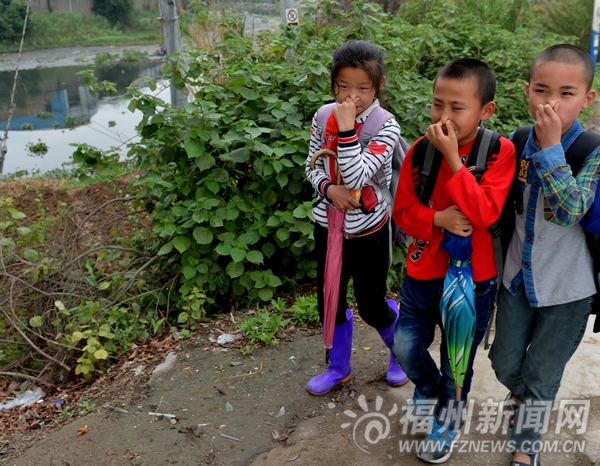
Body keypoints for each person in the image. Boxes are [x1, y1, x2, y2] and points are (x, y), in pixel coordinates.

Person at [391, 58, 516, 463]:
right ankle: (426, 389)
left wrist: (454, 160)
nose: (443, 117)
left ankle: (448, 419)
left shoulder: (500, 151)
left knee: (457, 358)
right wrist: (437, 220)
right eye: (436, 104)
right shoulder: (420, 149)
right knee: (405, 344)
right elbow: (403, 212)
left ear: (486, 110)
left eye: (457, 108)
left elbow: (483, 214)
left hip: (475, 279)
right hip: (423, 269)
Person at [489, 44, 598, 466]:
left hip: (569, 288)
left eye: (566, 93)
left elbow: (573, 208)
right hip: (517, 277)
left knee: (543, 374)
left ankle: (525, 447)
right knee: (503, 361)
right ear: (527, 91)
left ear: (587, 98)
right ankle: (523, 397)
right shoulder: (516, 141)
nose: (551, 102)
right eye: (541, 89)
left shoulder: (593, 150)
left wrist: (552, 148)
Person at [304, 40, 408, 396]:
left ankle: (402, 354)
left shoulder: (386, 125)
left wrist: (347, 129)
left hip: (369, 231)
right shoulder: (321, 116)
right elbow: (311, 164)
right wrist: (328, 190)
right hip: (328, 227)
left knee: (372, 304)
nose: (353, 95)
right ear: (333, 84)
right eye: (343, 87)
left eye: (363, 87)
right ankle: (339, 367)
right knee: (328, 300)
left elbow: (360, 175)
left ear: (378, 85)